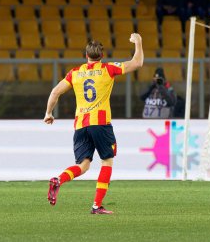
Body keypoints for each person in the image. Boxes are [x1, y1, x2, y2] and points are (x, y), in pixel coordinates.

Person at [44, 33, 143, 214]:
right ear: (101, 56)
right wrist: (138, 42)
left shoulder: (75, 73)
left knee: (83, 165)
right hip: (101, 123)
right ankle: (96, 205)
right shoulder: (108, 68)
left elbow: (55, 92)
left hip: (81, 125)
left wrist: (48, 113)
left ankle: (59, 179)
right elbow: (137, 63)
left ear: (86, 55)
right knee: (106, 162)